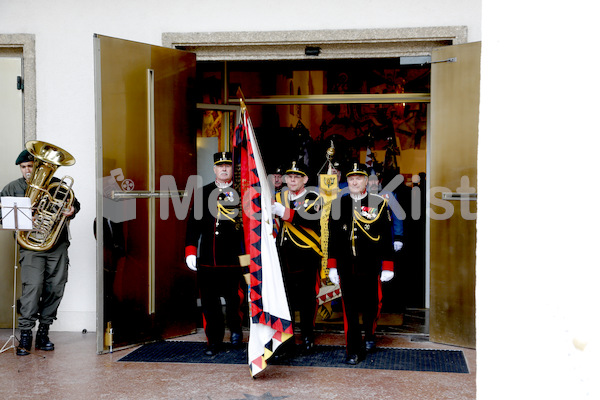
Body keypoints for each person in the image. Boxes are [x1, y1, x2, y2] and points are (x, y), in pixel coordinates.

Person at [1, 149, 80, 356]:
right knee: (32, 288)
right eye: (24, 167)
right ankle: (26, 333)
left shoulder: (56, 184)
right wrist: (26, 220)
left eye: (30, 166)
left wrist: (72, 210)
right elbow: (2, 216)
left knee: (56, 287)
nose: (27, 170)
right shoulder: (13, 188)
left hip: (57, 244)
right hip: (31, 246)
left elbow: (75, 204)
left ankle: (44, 332)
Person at [327, 162, 394, 365]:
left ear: (366, 180)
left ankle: (370, 335)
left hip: (370, 263)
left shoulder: (379, 203)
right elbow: (333, 239)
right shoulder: (339, 205)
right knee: (350, 308)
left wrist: (388, 265)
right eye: (351, 178)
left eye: (359, 178)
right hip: (347, 265)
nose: (354, 182)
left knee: (371, 305)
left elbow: (385, 237)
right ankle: (353, 349)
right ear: (347, 181)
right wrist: (332, 265)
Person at [184, 152, 244, 356]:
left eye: (227, 165)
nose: (224, 169)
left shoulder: (242, 193)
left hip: (234, 259)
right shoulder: (203, 192)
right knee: (210, 303)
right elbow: (193, 224)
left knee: (234, 300)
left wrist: (247, 258)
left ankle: (236, 329)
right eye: (220, 166)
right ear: (214, 169)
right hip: (209, 258)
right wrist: (191, 251)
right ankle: (214, 340)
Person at [271, 161, 323, 355]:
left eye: (297, 176)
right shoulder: (278, 196)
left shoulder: (313, 197)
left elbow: (307, 218)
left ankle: (308, 335)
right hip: (284, 254)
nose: (292, 180)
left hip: (307, 254)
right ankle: (288, 337)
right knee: (286, 299)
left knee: (307, 298)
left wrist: (282, 211)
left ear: (305, 179)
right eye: (289, 176)